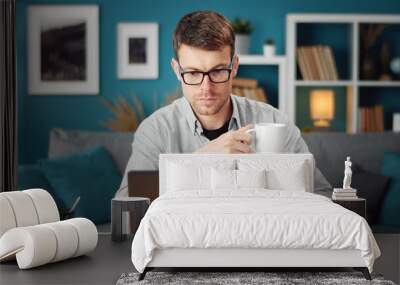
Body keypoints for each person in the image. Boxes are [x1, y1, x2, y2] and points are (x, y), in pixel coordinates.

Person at [117, 10, 331, 197]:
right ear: (176, 70)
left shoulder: (274, 121)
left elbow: (321, 194)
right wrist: (202, 159)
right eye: (192, 73)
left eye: (218, 71)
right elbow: (127, 206)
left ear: (235, 65)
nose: (206, 88)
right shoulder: (155, 131)